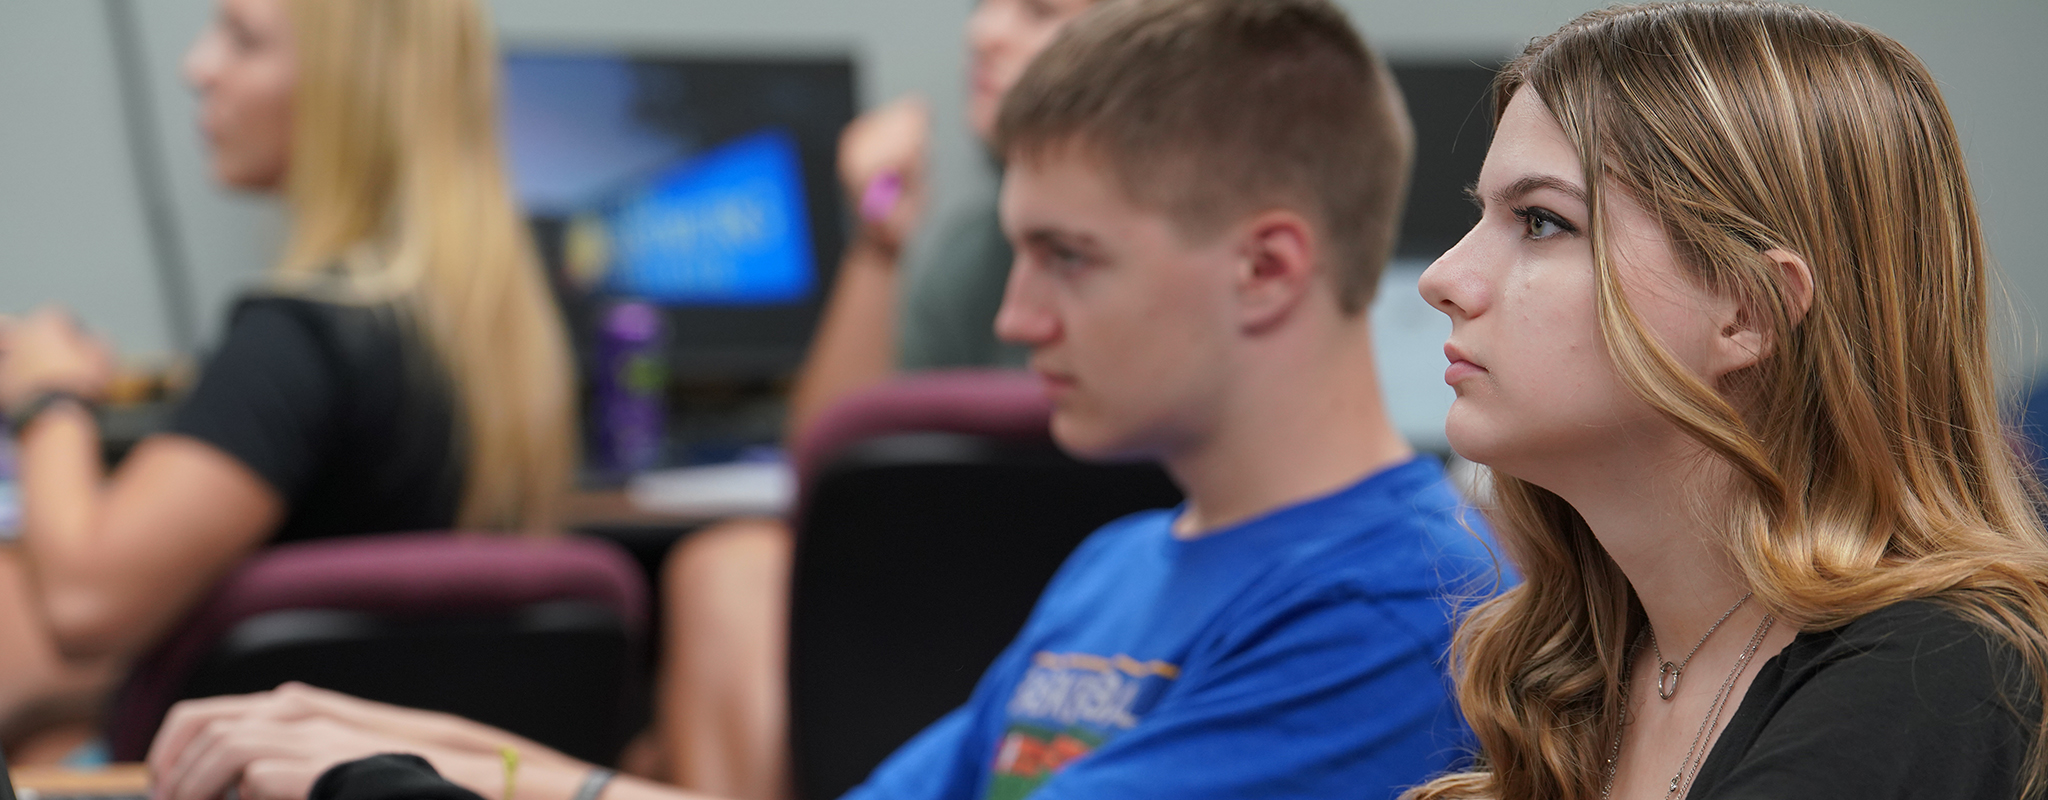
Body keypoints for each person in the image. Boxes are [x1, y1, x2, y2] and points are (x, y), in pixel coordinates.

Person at [144, 1, 1506, 799]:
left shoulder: (1399, 607)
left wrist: (423, 778)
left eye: (1069, 259)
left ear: (1268, 267)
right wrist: (413, 739)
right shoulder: (1121, 565)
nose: (1015, 317)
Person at [1403, 2, 2048, 798]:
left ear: (1747, 310)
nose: (1443, 279)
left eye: (1541, 221)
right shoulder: (1586, 671)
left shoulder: (1938, 672)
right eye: (1483, 216)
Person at [0, 0, 574, 749]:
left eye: (243, 40)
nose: (197, 67)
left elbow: (85, 604)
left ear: (349, 86)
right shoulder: (495, 340)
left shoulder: (299, 337)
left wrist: (49, 395)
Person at [657, 2, 1098, 795]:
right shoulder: (972, 252)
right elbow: (831, 460)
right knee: (721, 579)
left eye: (1039, 10)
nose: (984, 33)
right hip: (953, 637)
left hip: (1091, 627)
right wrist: (879, 238)